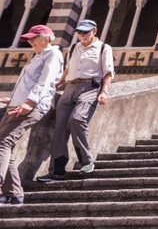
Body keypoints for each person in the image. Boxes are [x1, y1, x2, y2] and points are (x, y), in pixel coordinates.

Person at [36, 19, 114, 182]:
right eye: (80, 32)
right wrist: (60, 82)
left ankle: (86, 161)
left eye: (86, 32)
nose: (82, 35)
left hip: (89, 88)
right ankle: (56, 170)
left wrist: (104, 92)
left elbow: (108, 72)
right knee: (60, 128)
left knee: (77, 119)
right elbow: (68, 68)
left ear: (95, 31)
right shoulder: (74, 47)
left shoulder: (103, 48)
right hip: (69, 89)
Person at [0, 25, 63, 205]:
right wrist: (13, 98)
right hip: (17, 105)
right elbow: (28, 82)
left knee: (3, 142)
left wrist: (29, 102)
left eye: (33, 38)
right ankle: (14, 194)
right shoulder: (39, 55)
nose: (30, 42)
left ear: (46, 37)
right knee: (6, 145)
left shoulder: (53, 54)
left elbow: (46, 81)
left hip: (31, 107)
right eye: (29, 39)